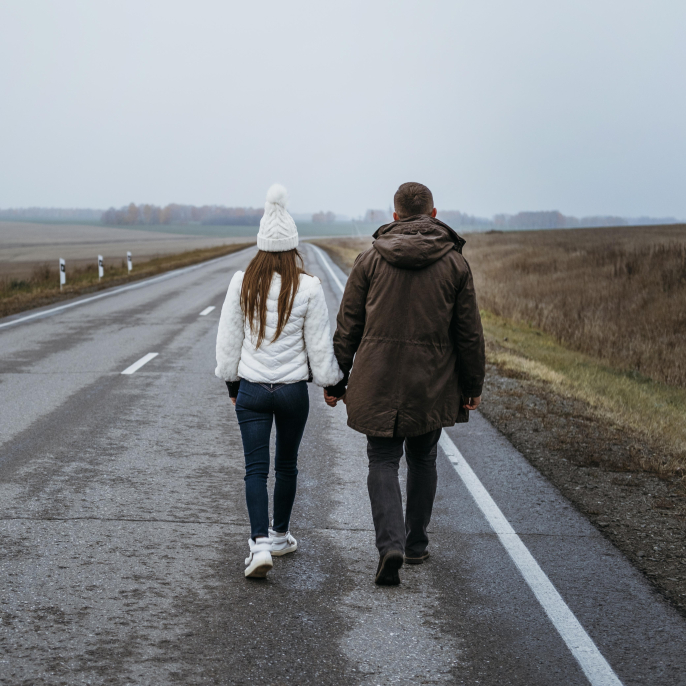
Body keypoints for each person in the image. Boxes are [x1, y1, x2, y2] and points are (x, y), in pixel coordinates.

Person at [324, 182, 485, 585]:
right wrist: (471, 385)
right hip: (430, 381)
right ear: (433, 214)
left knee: (382, 460)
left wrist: (337, 378)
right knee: (423, 459)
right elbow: (468, 334)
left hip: (376, 379)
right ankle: (414, 545)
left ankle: (389, 545)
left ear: (394, 216)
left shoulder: (369, 260)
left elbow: (348, 326)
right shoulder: (455, 264)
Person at [216, 184, 343, 579]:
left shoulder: (242, 282)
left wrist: (232, 386)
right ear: (293, 247)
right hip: (291, 392)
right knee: (287, 465)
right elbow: (319, 347)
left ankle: (258, 546)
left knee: (256, 469)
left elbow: (227, 343)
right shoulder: (309, 286)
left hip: (252, 389)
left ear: (260, 245)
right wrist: (331, 385)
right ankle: (281, 535)